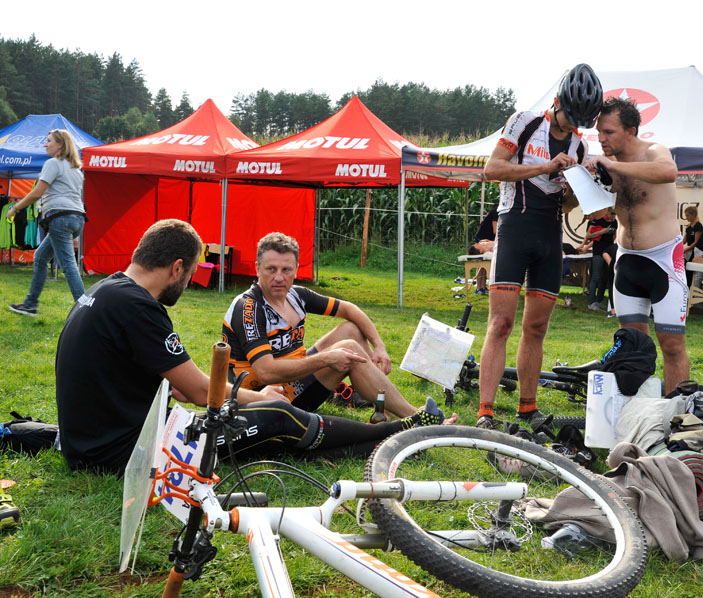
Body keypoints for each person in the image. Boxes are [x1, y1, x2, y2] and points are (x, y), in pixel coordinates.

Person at [55, 220, 449, 475]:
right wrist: (261, 399)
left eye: (287, 269)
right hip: (124, 454)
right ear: (177, 267)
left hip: (93, 444)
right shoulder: (139, 307)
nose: (187, 283)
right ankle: (397, 433)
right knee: (277, 415)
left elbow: (130, 371)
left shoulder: (106, 289)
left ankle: (390, 432)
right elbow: (200, 390)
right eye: (189, 275)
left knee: (274, 420)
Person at [476, 63, 603, 430]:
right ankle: (486, 412)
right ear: (558, 101)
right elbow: (492, 169)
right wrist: (545, 167)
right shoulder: (525, 122)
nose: (572, 128)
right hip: (514, 228)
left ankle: (527, 409)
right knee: (501, 323)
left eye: (579, 123)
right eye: (569, 119)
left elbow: (567, 206)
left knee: (536, 328)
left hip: (549, 236)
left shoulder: (580, 145)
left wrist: (576, 189)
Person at [223, 232, 456, 422]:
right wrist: (327, 359)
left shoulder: (296, 295)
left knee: (351, 330)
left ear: (296, 269)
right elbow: (267, 372)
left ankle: (388, 406)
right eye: (271, 269)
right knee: (349, 349)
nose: (279, 277)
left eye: (286, 270)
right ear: (257, 268)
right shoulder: (248, 308)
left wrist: (379, 346)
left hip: (293, 381)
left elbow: (350, 309)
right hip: (262, 400)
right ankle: (415, 417)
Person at [583, 96, 689, 394]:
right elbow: (597, 213)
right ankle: (637, 410)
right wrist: (589, 181)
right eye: (599, 132)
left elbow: (668, 172)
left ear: (630, 131)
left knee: (672, 345)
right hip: (626, 260)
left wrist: (614, 166)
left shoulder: (654, 151)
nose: (601, 139)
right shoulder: (607, 164)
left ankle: (676, 411)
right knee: (632, 346)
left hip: (663, 261)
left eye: (609, 132)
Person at [7, 130, 86, 316]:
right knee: (41, 257)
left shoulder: (53, 163)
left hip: (60, 218)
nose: (45, 144)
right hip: (77, 219)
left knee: (68, 265)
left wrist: (15, 208)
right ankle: (30, 304)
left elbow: (37, 193)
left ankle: (86, 310)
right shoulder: (76, 170)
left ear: (60, 144)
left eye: (48, 141)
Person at [580, 208, 617, 311]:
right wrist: (602, 231)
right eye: (612, 214)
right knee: (596, 276)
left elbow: (614, 235)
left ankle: (599, 301)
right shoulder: (597, 220)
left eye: (615, 214)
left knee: (604, 278)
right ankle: (591, 302)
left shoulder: (615, 221)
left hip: (608, 251)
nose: (613, 216)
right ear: (607, 211)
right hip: (598, 251)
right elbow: (589, 235)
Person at [468, 206, 499, 294]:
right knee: (481, 264)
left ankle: (483, 286)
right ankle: (479, 287)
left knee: (486, 264)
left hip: (488, 240)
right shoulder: (497, 211)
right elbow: (496, 230)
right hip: (482, 239)